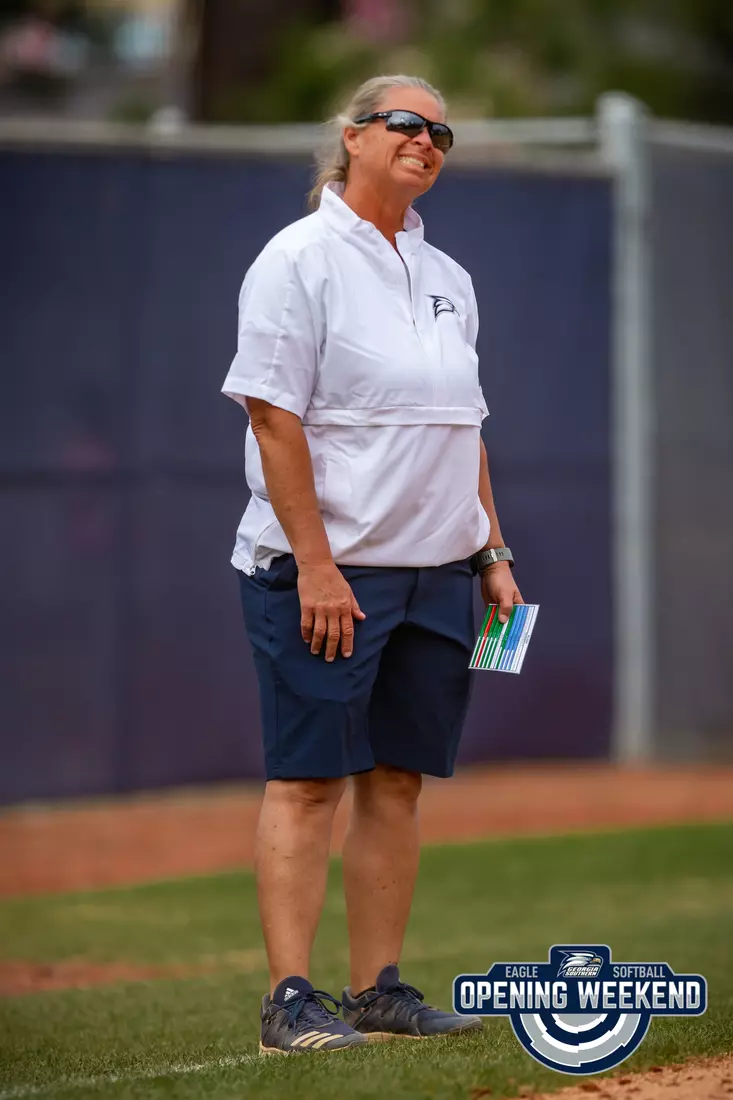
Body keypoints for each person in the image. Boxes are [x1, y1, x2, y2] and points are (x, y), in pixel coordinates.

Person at [222, 74, 524, 1055]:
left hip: (437, 571)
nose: (425, 139)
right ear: (351, 136)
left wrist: (490, 549)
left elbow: (461, 425)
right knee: (310, 780)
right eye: (404, 122)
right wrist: (315, 565)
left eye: (441, 130)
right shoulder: (297, 258)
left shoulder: (449, 276)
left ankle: (377, 990)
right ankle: (287, 1001)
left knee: (397, 781)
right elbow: (271, 415)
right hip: (328, 572)